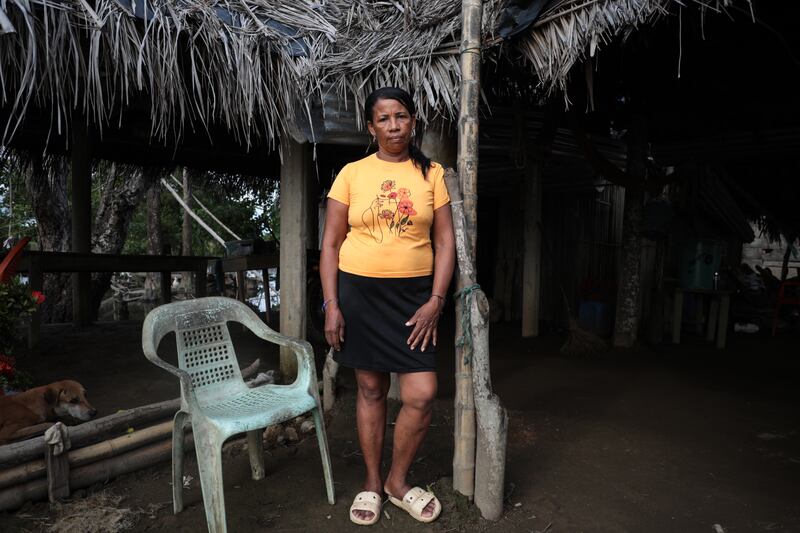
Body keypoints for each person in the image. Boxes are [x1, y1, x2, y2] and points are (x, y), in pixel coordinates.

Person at [320, 87, 456, 526]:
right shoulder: (351, 174)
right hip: (360, 294)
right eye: (384, 118)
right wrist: (331, 304)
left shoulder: (432, 173)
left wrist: (436, 300)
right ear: (371, 126)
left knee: (421, 394)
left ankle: (399, 482)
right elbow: (330, 244)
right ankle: (372, 482)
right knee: (371, 389)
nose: (394, 125)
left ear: (413, 121)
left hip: (415, 298)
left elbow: (444, 241)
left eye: (401, 116)